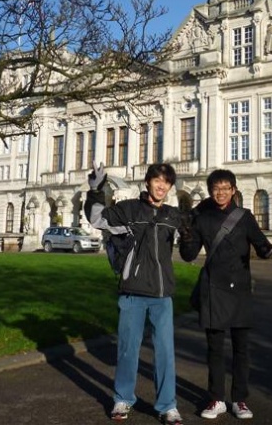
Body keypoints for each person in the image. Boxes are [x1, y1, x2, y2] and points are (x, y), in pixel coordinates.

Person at [85, 161, 188, 425]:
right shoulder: (129, 209)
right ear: (148, 182)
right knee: (128, 350)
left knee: (165, 352)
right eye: (157, 180)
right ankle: (122, 398)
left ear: (170, 186)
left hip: (162, 294)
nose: (161, 185)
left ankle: (168, 405)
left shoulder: (172, 215)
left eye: (166, 181)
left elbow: (198, 227)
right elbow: (97, 219)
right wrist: (95, 191)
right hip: (133, 291)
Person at [180, 169, 272, 420]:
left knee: (241, 349)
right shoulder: (202, 217)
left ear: (233, 190)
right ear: (211, 191)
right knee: (214, 349)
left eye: (225, 188)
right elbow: (189, 255)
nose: (220, 192)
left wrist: (267, 250)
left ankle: (240, 400)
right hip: (214, 288)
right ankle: (216, 399)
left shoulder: (244, 217)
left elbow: (260, 242)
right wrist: (186, 232)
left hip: (240, 288)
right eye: (216, 188)